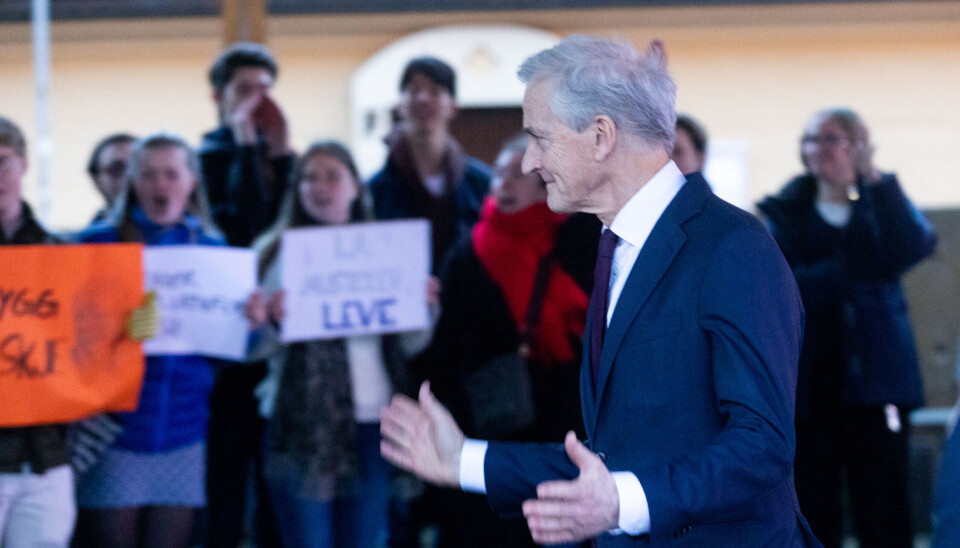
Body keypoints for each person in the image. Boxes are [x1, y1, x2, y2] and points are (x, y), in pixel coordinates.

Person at [381, 35, 821, 547]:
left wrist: (622, 502)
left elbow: (762, 446)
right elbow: (613, 456)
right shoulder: (614, 248)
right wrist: (464, 460)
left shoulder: (732, 249)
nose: (528, 163)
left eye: (539, 138)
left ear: (600, 136)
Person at [757, 108, 936, 548]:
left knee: (884, 502)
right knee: (814, 504)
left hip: (876, 384)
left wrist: (873, 178)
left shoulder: (879, 205)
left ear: (857, 145)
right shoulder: (785, 211)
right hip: (810, 386)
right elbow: (784, 283)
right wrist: (849, 273)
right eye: (812, 139)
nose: (820, 149)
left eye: (832, 139)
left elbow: (915, 245)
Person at [410, 135, 597, 547]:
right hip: (490, 418)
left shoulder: (582, 241)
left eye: (520, 173)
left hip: (564, 419)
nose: (505, 183)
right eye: (499, 173)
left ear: (547, 182)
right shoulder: (468, 252)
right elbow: (444, 350)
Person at [245, 141, 420, 548]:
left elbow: (410, 345)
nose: (319, 186)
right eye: (309, 177)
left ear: (356, 187)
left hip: (378, 421)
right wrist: (270, 323)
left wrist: (423, 308)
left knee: (365, 539)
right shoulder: (273, 252)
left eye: (331, 176)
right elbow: (250, 350)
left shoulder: (390, 249)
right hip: (300, 423)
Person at [72, 134, 225, 548]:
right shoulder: (93, 246)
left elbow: (232, 349)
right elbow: (64, 339)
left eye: (172, 174)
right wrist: (116, 333)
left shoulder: (215, 253)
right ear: (132, 182)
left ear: (191, 181)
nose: (161, 185)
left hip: (185, 433)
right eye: (149, 174)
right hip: (116, 434)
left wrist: (255, 321)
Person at [199, 41, 292, 548]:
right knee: (226, 485)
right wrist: (248, 147)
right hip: (222, 346)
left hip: (278, 347)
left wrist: (277, 153)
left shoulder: (287, 158)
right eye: (244, 91)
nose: (258, 102)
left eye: (266, 91)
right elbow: (245, 229)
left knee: (275, 483)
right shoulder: (203, 159)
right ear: (218, 95)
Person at [0, 115, 76, 548]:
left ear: (24, 165)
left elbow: (88, 345)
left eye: (3, 163)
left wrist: (129, 324)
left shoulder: (62, 255)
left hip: (46, 462)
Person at [368, 56, 491, 274]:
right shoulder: (374, 190)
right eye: (413, 90)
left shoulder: (482, 183)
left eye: (435, 90)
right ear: (400, 105)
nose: (423, 99)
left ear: (453, 106)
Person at [86, 133, 136, 224]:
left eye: (137, 168)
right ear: (96, 180)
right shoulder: (90, 237)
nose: (129, 177)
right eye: (117, 169)